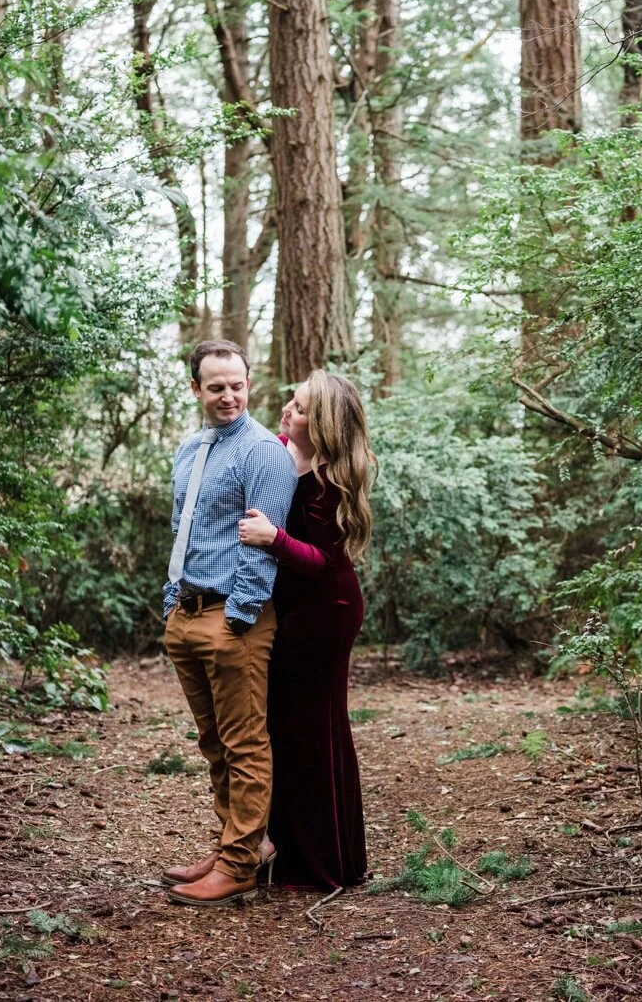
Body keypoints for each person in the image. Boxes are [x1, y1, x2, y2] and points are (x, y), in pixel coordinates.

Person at [159, 340, 297, 907]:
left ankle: (240, 865)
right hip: (186, 613)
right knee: (213, 742)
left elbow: (263, 544)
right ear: (197, 389)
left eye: (237, 384)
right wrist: (173, 602)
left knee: (244, 744)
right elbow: (182, 527)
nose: (229, 396)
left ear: (248, 382)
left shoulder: (263, 451)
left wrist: (237, 617)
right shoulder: (191, 447)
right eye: (216, 387)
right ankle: (234, 843)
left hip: (232, 620)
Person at [238, 369, 374, 891]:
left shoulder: (328, 479)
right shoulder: (281, 452)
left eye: (297, 408)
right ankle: (279, 844)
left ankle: (319, 861)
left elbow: (321, 560)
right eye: (290, 403)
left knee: (308, 730)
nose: (285, 411)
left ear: (321, 426)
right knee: (290, 726)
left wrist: (273, 538)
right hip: (295, 608)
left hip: (326, 610)